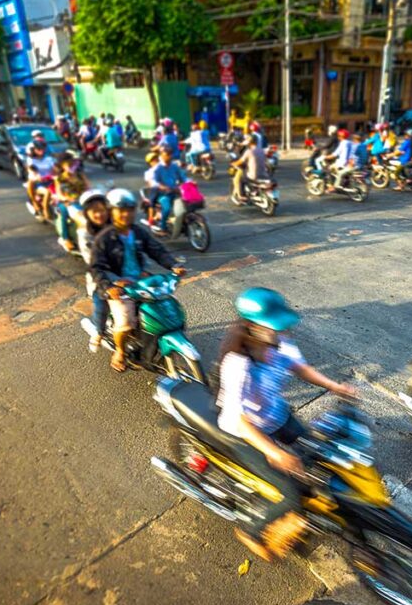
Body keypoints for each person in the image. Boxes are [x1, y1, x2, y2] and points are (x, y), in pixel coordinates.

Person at [216, 288, 356, 560]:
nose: (281, 332)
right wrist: (276, 453)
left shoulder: (281, 344)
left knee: (321, 456)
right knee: (291, 494)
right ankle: (253, 532)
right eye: (274, 327)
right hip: (246, 432)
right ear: (252, 327)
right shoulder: (237, 364)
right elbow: (239, 420)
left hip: (278, 416)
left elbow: (300, 368)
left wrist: (333, 386)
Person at [89, 188, 185, 371]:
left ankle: (153, 340)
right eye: (121, 209)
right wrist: (109, 287)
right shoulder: (104, 238)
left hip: (140, 282)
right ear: (111, 211)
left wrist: (173, 265)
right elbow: (97, 268)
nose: (126, 214)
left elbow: (156, 249)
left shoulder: (138, 232)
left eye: (130, 209)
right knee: (125, 323)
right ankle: (120, 352)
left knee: (167, 306)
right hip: (118, 286)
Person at [77, 190, 112, 352]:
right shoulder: (84, 233)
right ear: (87, 213)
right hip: (101, 277)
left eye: (102, 209)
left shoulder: (117, 225)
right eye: (94, 211)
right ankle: (99, 331)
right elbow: (92, 261)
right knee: (101, 301)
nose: (100, 214)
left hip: (126, 275)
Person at [55, 151, 91, 252]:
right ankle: (65, 238)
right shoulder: (60, 178)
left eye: (72, 163)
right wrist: (67, 199)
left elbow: (88, 187)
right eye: (68, 164)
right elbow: (59, 194)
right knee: (65, 214)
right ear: (62, 165)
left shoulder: (80, 175)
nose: (71, 165)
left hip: (83, 200)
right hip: (69, 203)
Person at [151, 147, 190, 234]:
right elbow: (154, 182)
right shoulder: (158, 168)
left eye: (170, 154)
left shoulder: (174, 166)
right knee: (167, 208)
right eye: (167, 155)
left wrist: (189, 182)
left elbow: (183, 177)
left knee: (187, 205)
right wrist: (163, 187)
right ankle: (163, 226)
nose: (169, 156)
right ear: (162, 155)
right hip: (163, 194)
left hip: (175, 192)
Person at [232, 134, 269, 203]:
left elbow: (240, 161)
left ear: (250, 142)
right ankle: (253, 190)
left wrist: (234, 164)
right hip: (265, 174)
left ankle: (242, 196)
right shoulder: (261, 150)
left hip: (254, 176)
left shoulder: (249, 151)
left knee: (241, 179)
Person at [25, 140, 56, 220]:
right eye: (38, 149)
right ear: (34, 150)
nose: (41, 151)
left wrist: (57, 173)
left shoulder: (49, 159)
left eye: (42, 149)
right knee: (48, 192)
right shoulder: (31, 160)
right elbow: (32, 170)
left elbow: (54, 169)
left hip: (51, 181)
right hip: (38, 183)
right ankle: (45, 209)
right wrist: (37, 176)